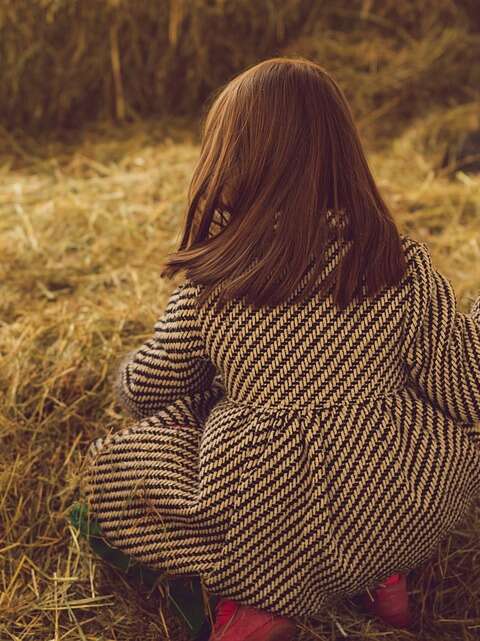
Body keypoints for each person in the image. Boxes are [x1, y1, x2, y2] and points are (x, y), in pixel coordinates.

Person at [82, 58, 480, 640]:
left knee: (118, 467)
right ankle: (375, 573)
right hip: (400, 501)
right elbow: (468, 392)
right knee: (442, 425)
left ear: (229, 158)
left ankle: (261, 603)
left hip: (254, 512)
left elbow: (147, 389)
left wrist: (214, 388)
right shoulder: (398, 266)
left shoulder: (216, 280)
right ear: (346, 155)